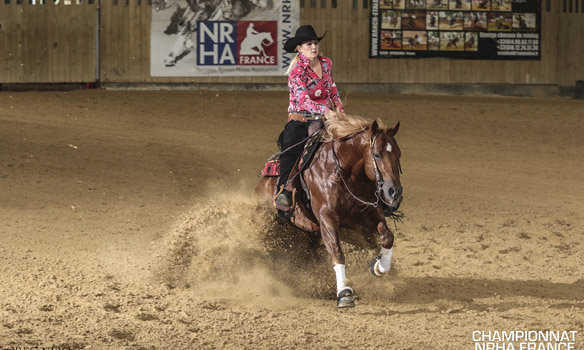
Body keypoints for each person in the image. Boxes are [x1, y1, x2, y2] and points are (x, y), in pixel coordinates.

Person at [274, 24, 344, 211]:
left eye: (315, 43)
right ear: (299, 48)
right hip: (301, 118)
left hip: (325, 116)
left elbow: (332, 88)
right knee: (291, 146)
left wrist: (338, 107)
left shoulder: (326, 63)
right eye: (308, 44)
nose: (313, 47)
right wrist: (326, 111)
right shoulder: (297, 72)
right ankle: (284, 189)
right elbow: (303, 100)